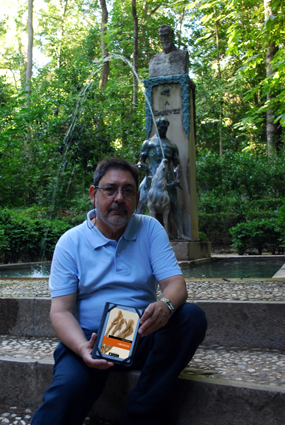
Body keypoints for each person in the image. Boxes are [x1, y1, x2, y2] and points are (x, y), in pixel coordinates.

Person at [31, 157, 207, 425]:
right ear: (93, 194)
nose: (119, 198)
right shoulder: (70, 242)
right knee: (65, 394)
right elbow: (61, 311)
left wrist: (165, 306)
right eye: (110, 189)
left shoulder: (150, 229)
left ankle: (140, 416)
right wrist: (81, 348)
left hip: (141, 335)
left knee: (191, 317)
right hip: (89, 340)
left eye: (127, 191)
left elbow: (175, 284)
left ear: (137, 198)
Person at [137, 117, 188, 239]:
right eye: (161, 127)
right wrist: (141, 166)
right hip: (150, 176)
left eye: (165, 127)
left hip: (167, 179)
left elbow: (176, 165)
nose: (163, 129)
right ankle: (137, 232)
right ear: (157, 126)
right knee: (139, 202)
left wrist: (176, 178)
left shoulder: (171, 146)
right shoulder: (148, 143)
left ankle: (180, 233)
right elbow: (140, 161)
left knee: (174, 204)